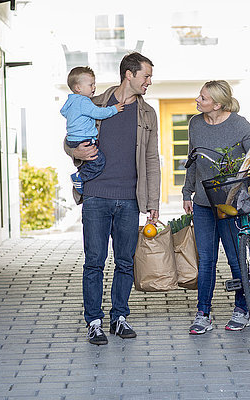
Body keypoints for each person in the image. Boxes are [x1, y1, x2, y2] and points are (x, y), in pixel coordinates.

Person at [63, 52, 160, 345]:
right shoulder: (95, 103)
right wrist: (74, 152)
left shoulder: (147, 114)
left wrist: (152, 202)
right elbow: (70, 137)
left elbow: (152, 158)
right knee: (94, 261)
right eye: (146, 76)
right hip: (96, 195)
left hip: (130, 199)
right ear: (129, 75)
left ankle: (119, 317)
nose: (149, 82)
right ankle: (94, 321)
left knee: (125, 261)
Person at [182, 80, 250, 335]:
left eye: (202, 98)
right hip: (204, 201)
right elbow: (192, 160)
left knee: (237, 259)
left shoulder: (239, 124)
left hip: (231, 202)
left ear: (217, 104)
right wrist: (186, 192)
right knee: (206, 260)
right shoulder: (195, 124)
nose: (197, 100)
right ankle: (203, 313)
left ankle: (242, 309)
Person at [60, 66, 124, 194]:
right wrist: (114, 109)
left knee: (89, 161)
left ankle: (81, 177)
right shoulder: (84, 101)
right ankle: (80, 177)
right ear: (78, 88)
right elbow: (98, 113)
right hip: (83, 140)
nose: (94, 88)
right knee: (98, 162)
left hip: (72, 140)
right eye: (91, 85)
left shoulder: (71, 102)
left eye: (94, 84)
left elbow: (64, 113)